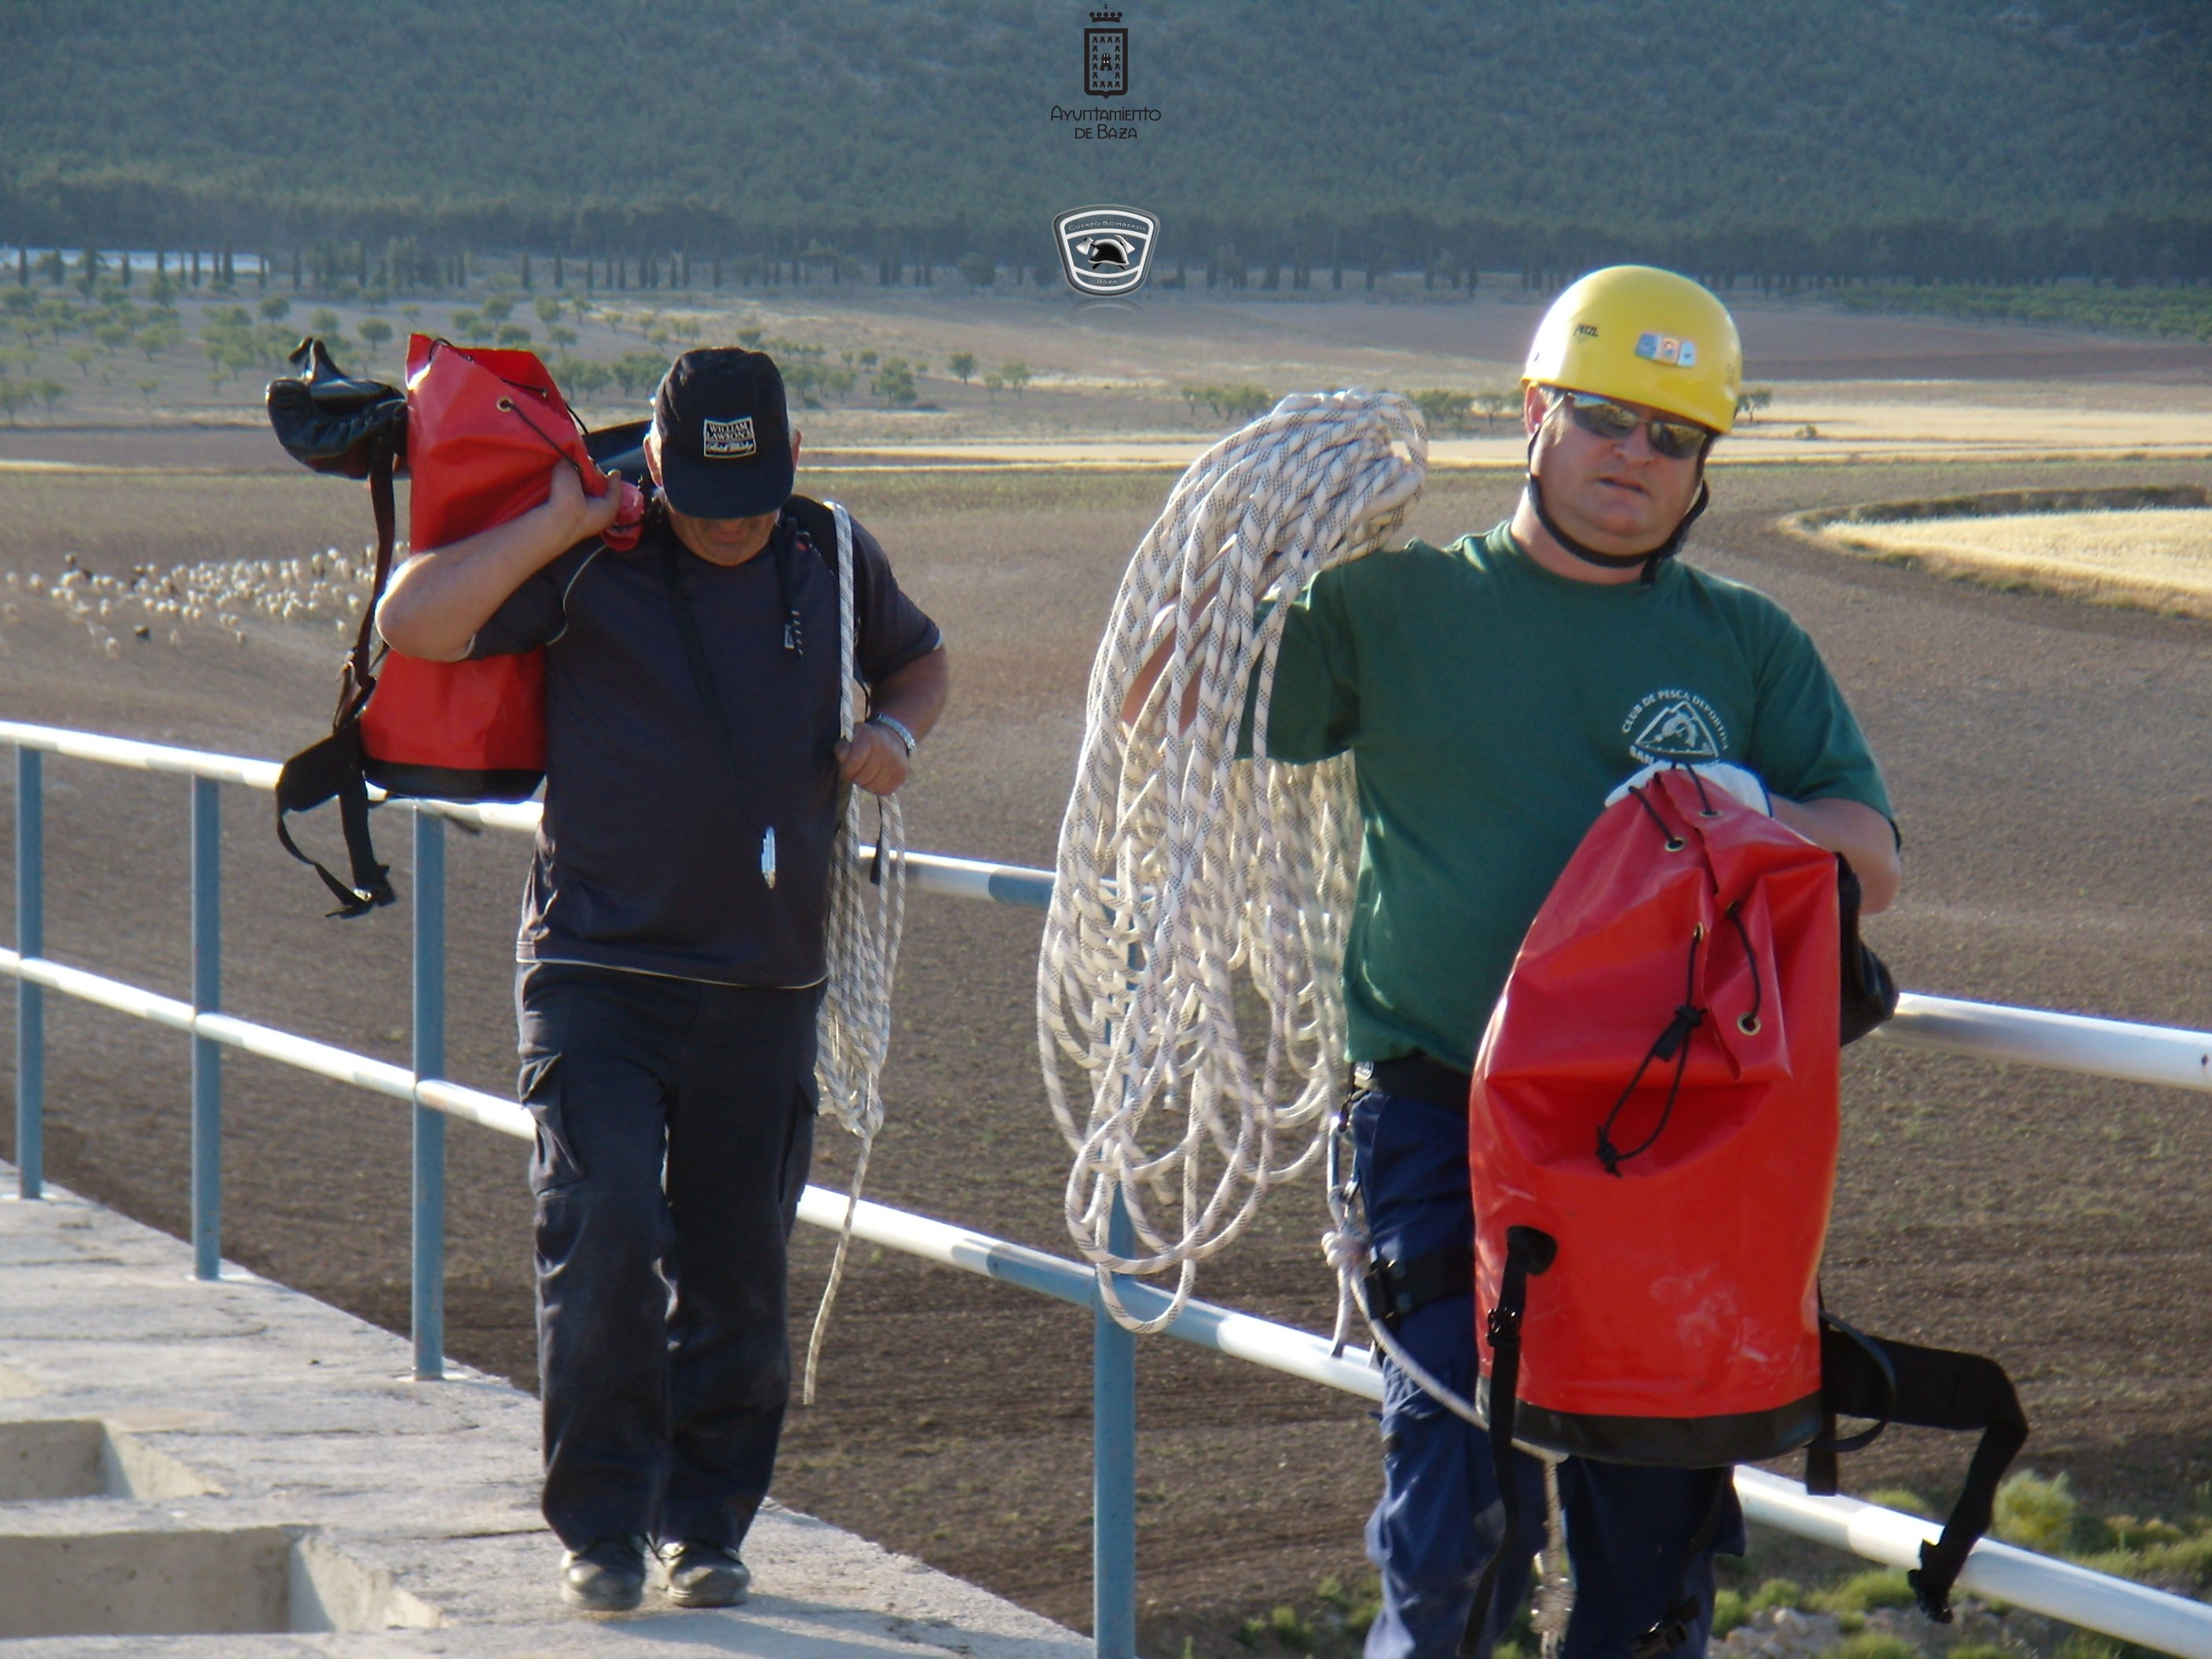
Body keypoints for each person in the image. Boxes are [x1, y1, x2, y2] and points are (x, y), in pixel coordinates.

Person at [1127, 266, 1899, 1657]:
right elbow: (1163, 700)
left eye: (1675, 436)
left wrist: (1730, 803)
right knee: (1455, 1522)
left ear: (1704, 467)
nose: (1635, 456)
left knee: (1649, 1554)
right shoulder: (1394, 608)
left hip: (1669, 1144)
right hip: (1442, 1116)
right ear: (1535, 414)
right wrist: (1234, 554)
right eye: (1605, 417)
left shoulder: (1745, 645)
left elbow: (1870, 854)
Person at [375, 347, 950, 1613]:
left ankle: (707, 1529)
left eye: (752, 500)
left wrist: (895, 732)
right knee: (605, 1232)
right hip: (598, 972)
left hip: (766, 986)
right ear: (656, 466)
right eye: (703, 498)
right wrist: (557, 522)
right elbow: (413, 624)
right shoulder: (597, 551)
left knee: (740, 1275)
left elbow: (920, 661)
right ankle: (601, 1530)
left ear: (793, 466)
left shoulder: (831, 552)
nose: (730, 525)